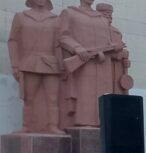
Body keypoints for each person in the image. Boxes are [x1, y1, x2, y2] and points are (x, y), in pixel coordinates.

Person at [7, 0, 65, 134]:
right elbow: (13, 41)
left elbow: (59, 44)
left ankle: (52, 125)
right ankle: (27, 125)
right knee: (29, 97)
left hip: (51, 63)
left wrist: (62, 66)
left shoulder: (56, 19)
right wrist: (15, 64)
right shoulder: (21, 17)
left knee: (52, 98)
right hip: (29, 63)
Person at [59, 0, 114, 127]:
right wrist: (78, 49)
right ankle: (84, 122)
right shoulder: (69, 13)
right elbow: (63, 36)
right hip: (84, 62)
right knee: (85, 94)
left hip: (102, 64)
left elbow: (107, 42)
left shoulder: (101, 19)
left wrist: (109, 49)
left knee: (102, 95)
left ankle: (102, 123)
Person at [96, 3, 132, 94]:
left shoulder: (116, 32)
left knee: (116, 94)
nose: (109, 16)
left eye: (110, 14)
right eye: (105, 14)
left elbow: (119, 50)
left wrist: (124, 56)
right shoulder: (95, 31)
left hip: (117, 70)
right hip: (101, 68)